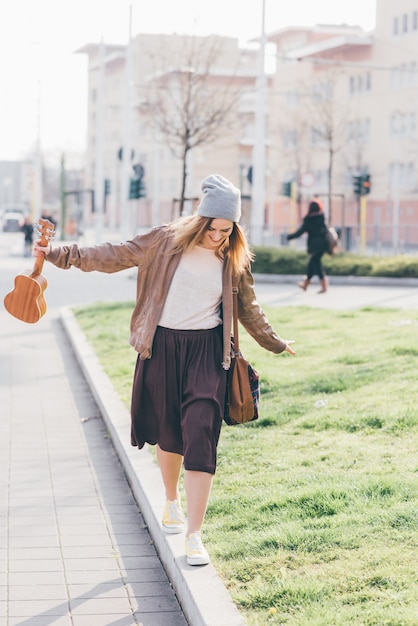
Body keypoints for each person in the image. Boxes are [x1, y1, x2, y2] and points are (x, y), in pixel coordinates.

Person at [34, 174, 296, 566]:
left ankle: (194, 535)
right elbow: (112, 255)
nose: (219, 237)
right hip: (162, 348)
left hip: (208, 352)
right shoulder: (164, 241)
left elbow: (248, 308)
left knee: (201, 431)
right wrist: (60, 254)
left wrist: (275, 342)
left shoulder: (232, 257)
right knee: (169, 431)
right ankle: (170, 500)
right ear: (200, 220)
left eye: (227, 230)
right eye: (213, 228)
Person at [286, 198, 329, 293]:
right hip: (323, 246)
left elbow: (300, 232)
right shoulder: (321, 219)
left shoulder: (309, 220)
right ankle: (305, 285)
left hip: (314, 247)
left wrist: (289, 237)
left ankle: (324, 287)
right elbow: (325, 231)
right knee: (312, 265)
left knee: (317, 265)